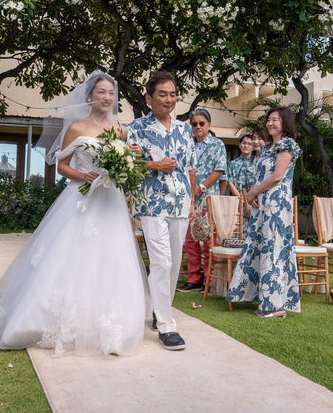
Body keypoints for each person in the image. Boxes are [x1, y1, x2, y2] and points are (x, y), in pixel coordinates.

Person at [0, 71, 146, 355]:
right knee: (71, 255)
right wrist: (83, 176)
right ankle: (38, 320)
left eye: (111, 93)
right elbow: (60, 166)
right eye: (101, 92)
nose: (107, 97)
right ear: (89, 96)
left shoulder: (123, 132)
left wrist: (128, 163)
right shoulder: (76, 128)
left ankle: (110, 326)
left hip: (111, 202)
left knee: (111, 258)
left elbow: (126, 168)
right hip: (81, 198)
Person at [126, 71, 196, 351]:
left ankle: (159, 309)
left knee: (174, 264)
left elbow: (191, 168)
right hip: (152, 204)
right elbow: (127, 165)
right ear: (149, 98)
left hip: (181, 204)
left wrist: (192, 203)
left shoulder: (184, 129)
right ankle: (167, 327)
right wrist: (155, 166)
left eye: (173, 94)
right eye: (162, 94)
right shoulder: (135, 128)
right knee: (161, 262)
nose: (169, 99)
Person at [225, 106, 302, 318]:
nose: (270, 123)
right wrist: (256, 195)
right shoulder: (268, 147)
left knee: (274, 251)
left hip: (277, 206)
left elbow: (278, 176)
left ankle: (275, 306)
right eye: (268, 120)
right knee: (260, 247)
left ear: (285, 123)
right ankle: (257, 297)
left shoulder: (287, 144)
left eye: (275, 120)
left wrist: (252, 193)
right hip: (264, 204)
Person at [178, 108, 227, 293]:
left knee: (208, 242)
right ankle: (193, 279)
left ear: (209, 125)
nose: (197, 127)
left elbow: (219, 170)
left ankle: (209, 279)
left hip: (207, 200)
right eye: (194, 124)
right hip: (189, 201)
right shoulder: (186, 144)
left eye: (201, 123)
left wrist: (201, 188)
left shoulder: (217, 145)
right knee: (190, 241)